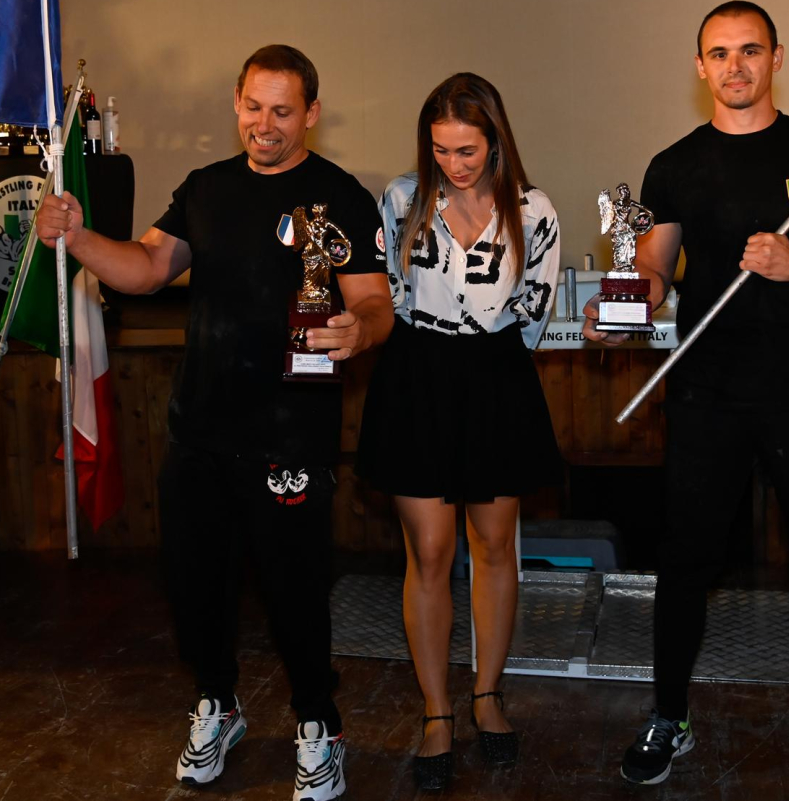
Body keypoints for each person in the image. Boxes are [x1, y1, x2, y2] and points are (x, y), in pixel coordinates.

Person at [35, 44, 392, 801]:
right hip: (200, 429)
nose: (265, 124)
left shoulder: (340, 195)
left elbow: (373, 300)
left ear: (312, 114)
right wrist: (77, 236)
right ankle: (217, 704)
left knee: (295, 590)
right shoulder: (206, 188)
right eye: (253, 107)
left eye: (283, 111)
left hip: (291, 434)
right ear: (236, 103)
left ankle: (319, 723)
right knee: (195, 585)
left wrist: (360, 328)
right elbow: (144, 268)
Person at [586, 2, 789, 799]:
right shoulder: (674, 165)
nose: (736, 65)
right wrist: (623, 303)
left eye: (750, 50)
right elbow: (654, 269)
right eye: (720, 53)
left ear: (777, 57)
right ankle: (669, 715)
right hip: (706, 394)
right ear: (700, 66)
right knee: (686, 560)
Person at [356, 73, 562, 791]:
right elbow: (384, 294)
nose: (454, 163)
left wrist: (489, 365)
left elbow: (532, 313)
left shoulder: (533, 210)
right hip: (416, 376)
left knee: (495, 546)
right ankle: (437, 711)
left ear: (495, 140)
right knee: (431, 550)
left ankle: (488, 696)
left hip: (496, 377)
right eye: (441, 149)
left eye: (467, 149)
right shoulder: (400, 200)